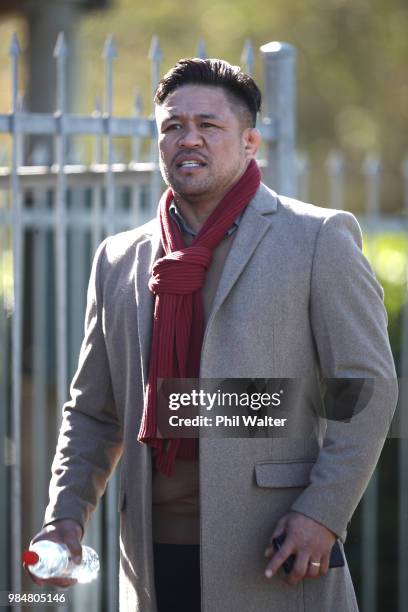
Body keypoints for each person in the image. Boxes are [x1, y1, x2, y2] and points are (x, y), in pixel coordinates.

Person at [26, 58, 398, 612]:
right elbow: (94, 412)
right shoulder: (119, 259)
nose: (188, 139)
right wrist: (64, 518)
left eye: (209, 125)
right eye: (173, 126)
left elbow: (367, 388)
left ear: (250, 142)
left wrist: (323, 510)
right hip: (151, 561)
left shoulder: (317, 239)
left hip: (277, 552)